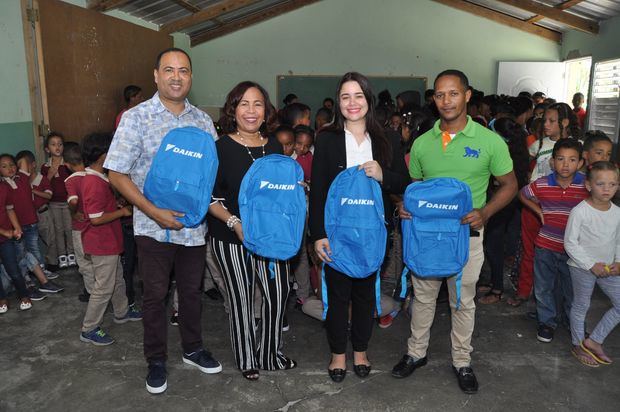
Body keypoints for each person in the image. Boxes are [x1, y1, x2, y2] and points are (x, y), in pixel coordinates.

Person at [104, 47, 222, 394]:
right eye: (168, 70)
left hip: (192, 229)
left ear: (190, 77)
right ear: (156, 75)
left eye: (183, 71)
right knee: (155, 295)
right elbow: (116, 173)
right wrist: (153, 211)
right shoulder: (135, 118)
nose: (176, 77)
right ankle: (156, 359)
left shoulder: (202, 121)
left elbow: (211, 175)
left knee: (191, 292)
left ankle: (193, 348)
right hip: (151, 228)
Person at [391, 70, 517, 394]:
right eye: (440, 95)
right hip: (427, 238)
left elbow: (510, 185)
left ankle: (462, 361)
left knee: (463, 301)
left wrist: (485, 212)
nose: (446, 101)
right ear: (433, 99)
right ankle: (415, 353)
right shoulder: (421, 143)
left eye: (453, 93)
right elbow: (414, 187)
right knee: (423, 298)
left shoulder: (489, 142)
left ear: (467, 95)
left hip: (467, 239)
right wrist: (404, 205)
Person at [309, 72, 410, 383]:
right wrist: (318, 235)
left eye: (358, 96)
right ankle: (338, 353)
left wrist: (383, 175)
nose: (352, 103)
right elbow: (319, 191)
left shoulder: (388, 139)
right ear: (338, 102)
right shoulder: (326, 139)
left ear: (368, 99)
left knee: (367, 295)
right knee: (337, 295)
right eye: (345, 97)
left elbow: (403, 182)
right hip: (337, 233)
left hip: (373, 233)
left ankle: (361, 351)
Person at [207, 81, 296, 381]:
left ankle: (270, 354)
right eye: (243, 103)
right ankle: (248, 358)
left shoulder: (272, 145)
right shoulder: (219, 148)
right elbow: (208, 197)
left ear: (265, 110)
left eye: (257, 104)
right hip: (231, 236)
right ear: (233, 108)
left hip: (272, 237)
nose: (251, 110)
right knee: (241, 298)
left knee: (278, 292)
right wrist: (235, 223)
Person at [508, 102, 578, 307]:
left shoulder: (575, 146)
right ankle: (524, 291)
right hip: (532, 205)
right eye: (544, 120)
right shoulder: (538, 145)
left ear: (564, 122)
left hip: (561, 210)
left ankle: (558, 300)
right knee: (530, 250)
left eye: (551, 121)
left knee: (562, 255)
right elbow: (528, 169)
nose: (545, 124)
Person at [519, 138, 588, 343]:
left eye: (572, 159)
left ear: (580, 163)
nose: (566, 164)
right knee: (543, 287)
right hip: (546, 246)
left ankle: (572, 321)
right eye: (560, 159)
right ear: (552, 162)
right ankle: (547, 322)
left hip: (574, 251)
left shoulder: (586, 185)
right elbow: (523, 194)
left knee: (572, 290)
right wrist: (538, 210)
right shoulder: (542, 184)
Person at [79, 132, 141, 346]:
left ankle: (122, 312)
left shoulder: (100, 178)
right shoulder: (93, 183)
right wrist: (122, 213)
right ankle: (89, 328)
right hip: (101, 243)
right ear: (102, 156)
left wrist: (115, 205)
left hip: (110, 242)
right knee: (103, 286)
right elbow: (95, 219)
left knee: (117, 279)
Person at [565, 161, 620, 366]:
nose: (607, 189)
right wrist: (590, 265)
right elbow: (570, 242)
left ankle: (594, 341)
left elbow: (618, 240)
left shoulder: (617, 212)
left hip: (609, 268)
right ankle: (578, 344)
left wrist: (618, 261)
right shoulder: (580, 211)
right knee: (581, 305)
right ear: (588, 185)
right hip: (582, 267)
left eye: (612, 184)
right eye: (601, 184)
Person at [479, 118, 530, 304]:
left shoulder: (500, 152)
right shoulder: (517, 150)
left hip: (501, 203)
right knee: (494, 244)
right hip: (507, 203)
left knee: (494, 245)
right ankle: (493, 281)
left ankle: (497, 289)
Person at [63, 142, 95, 302]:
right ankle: (101, 288)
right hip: (95, 226)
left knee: (84, 261)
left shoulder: (70, 181)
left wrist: (74, 212)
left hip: (80, 228)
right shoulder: (93, 175)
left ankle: (91, 292)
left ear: (67, 165)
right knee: (97, 260)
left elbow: (74, 201)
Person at [41, 132, 75, 269]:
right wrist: (49, 175)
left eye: (60, 144)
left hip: (68, 203)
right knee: (58, 230)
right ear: (47, 149)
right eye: (53, 144)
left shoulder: (68, 164)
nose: (57, 147)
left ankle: (71, 254)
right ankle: (62, 256)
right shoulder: (45, 167)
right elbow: (43, 186)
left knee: (69, 228)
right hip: (54, 203)